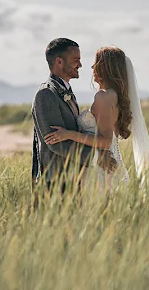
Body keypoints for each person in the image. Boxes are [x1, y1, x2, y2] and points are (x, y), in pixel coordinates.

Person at [43, 46, 149, 192]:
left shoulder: (103, 97)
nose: (92, 67)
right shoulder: (113, 96)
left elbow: (105, 141)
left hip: (101, 170)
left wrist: (68, 134)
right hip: (109, 162)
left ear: (105, 68)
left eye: (96, 63)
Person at [30, 38, 97, 196]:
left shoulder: (65, 91)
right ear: (59, 62)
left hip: (71, 177)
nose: (80, 65)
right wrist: (94, 157)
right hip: (54, 181)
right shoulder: (46, 93)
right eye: (76, 60)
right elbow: (55, 143)